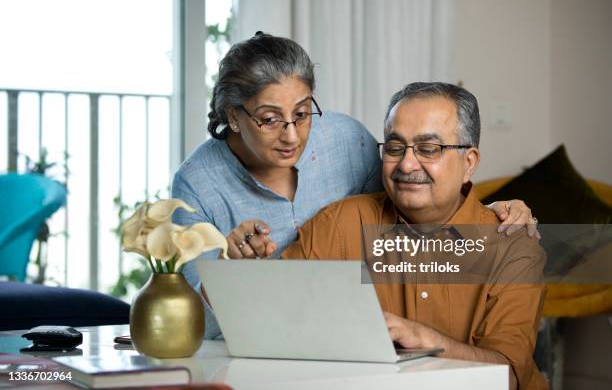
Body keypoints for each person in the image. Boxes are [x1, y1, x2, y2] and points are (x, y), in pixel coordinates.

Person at [172, 33, 540, 340]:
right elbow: (198, 321)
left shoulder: (347, 140)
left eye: (301, 114)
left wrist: (481, 213)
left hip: (357, 339)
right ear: (234, 117)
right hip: (270, 340)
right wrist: (229, 273)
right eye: (270, 119)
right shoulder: (197, 184)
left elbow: (410, 198)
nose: (291, 135)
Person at [282, 82, 547, 390]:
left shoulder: (513, 244)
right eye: (395, 148)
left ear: (469, 163)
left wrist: (428, 342)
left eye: (428, 149)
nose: (406, 164)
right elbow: (278, 314)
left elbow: (508, 377)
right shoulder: (341, 222)